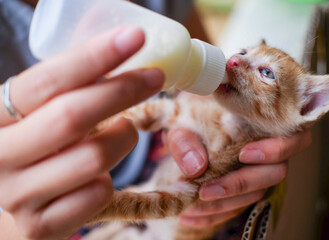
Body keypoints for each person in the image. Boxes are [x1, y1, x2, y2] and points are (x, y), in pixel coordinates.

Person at [0, 0, 312, 239]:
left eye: (266, 72)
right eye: (242, 52)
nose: (234, 59)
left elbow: (194, 72)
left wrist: (191, 98)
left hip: (153, 184)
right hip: (45, 212)